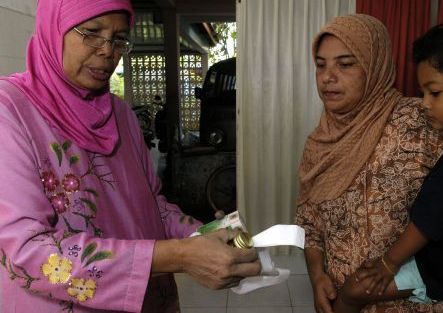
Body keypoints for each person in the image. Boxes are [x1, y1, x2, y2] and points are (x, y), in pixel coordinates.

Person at [0, 1, 260, 312]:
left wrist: (201, 236)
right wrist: (178, 255)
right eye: (92, 33)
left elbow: (152, 207)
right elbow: (26, 252)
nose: (108, 51)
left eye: (119, 38)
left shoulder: (119, 113)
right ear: (52, 29)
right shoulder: (11, 112)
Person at [295, 14, 443, 313]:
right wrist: (316, 275)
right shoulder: (319, 144)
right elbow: (309, 220)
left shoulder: (425, 120)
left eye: (346, 63)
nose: (328, 77)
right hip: (344, 300)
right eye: (320, 64)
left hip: (427, 301)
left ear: (374, 65)